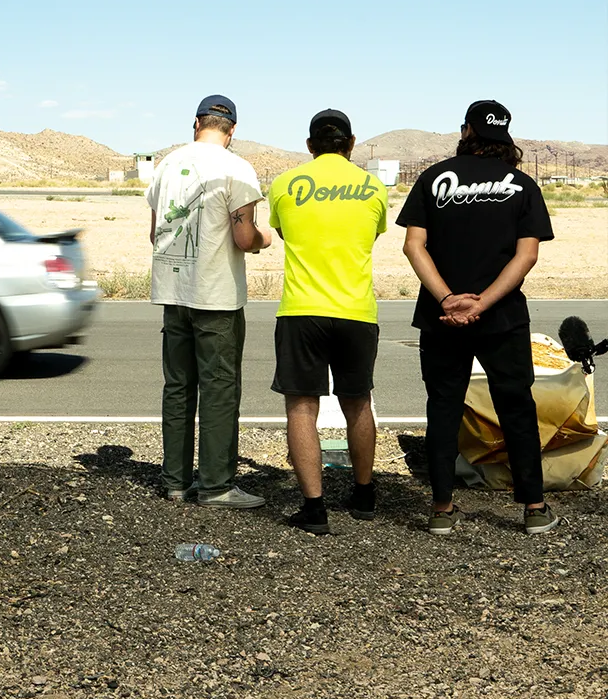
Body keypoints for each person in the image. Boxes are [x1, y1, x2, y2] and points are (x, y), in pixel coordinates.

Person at [396, 99, 559, 536]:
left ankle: (441, 508)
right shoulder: (522, 185)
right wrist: (483, 303)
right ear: (505, 136)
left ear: (466, 130)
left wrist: (449, 298)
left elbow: (414, 246)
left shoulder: (434, 178)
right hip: (502, 316)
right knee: (517, 408)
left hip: (440, 316)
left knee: (444, 408)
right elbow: (527, 255)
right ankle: (534, 507)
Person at [146, 94, 272, 508]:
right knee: (218, 389)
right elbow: (243, 236)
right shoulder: (236, 168)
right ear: (232, 129)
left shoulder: (166, 165)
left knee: (178, 387)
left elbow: (154, 233)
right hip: (215, 295)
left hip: (173, 290)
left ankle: (176, 481)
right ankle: (216, 484)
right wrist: (264, 239)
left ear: (196, 123)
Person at [267, 110, 388, 534]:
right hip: (356, 310)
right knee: (358, 401)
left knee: (301, 405)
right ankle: (364, 494)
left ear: (310, 145)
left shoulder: (284, 185)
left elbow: (284, 233)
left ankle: (314, 507)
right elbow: (371, 235)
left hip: (302, 310)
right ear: (351, 143)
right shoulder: (373, 186)